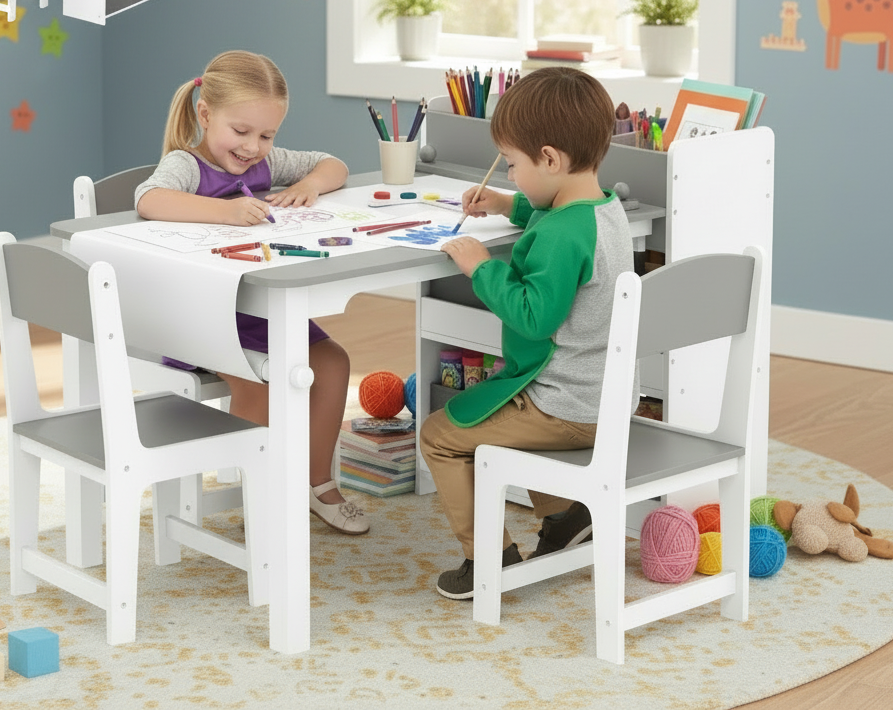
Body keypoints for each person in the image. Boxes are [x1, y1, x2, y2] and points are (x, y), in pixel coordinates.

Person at [420, 65, 637, 598]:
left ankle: (488, 561)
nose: (509, 175)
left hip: (566, 409)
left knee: (440, 436)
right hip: (606, 398)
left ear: (550, 159)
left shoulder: (562, 233)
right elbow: (553, 214)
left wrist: (480, 268)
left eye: (513, 166)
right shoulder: (602, 209)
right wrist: (503, 203)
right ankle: (563, 520)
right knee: (488, 419)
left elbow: (532, 315)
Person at [134, 49, 369, 535]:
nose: (253, 147)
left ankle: (315, 482)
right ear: (205, 114)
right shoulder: (187, 165)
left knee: (334, 362)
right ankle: (259, 497)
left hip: (260, 310)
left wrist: (307, 184)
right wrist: (225, 212)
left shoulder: (264, 166)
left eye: (267, 135)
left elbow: (335, 165)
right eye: (241, 132)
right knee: (259, 385)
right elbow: (149, 199)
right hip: (200, 317)